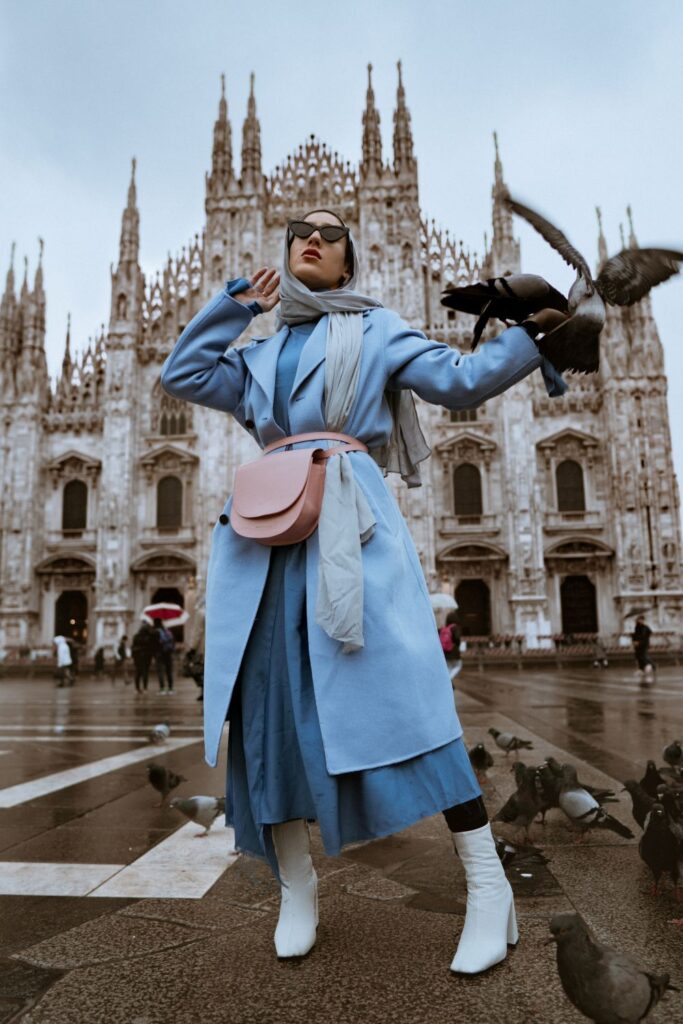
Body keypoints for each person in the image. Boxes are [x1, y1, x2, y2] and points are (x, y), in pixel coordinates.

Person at [160, 208, 570, 973]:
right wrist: (234, 305)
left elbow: (459, 382)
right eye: (298, 230)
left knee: (411, 700)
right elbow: (181, 374)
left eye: (330, 232)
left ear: (349, 263)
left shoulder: (376, 327)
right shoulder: (256, 352)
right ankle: (297, 888)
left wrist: (536, 334)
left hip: (351, 526)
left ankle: (488, 887)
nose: (310, 237)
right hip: (266, 538)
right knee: (268, 715)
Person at [153, 617, 175, 694]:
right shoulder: (167, 631)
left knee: (160, 671)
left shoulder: (156, 632)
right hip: (168, 653)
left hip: (159, 654)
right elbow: (172, 642)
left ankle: (162, 689)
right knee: (169, 671)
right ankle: (170, 688)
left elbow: (154, 644)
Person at [131, 623, 155, 693]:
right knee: (145, 672)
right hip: (146, 656)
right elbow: (151, 647)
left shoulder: (136, 636)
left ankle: (137, 688)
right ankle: (145, 688)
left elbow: (133, 646)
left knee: (138, 672)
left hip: (137, 656)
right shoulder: (149, 637)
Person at [632, 615, 655, 680]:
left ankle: (650, 665)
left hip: (643, 644)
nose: (639, 621)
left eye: (641, 620)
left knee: (643, 655)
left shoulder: (645, 627)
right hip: (637, 644)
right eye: (638, 619)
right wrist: (634, 641)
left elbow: (645, 636)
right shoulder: (637, 627)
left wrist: (639, 642)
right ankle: (641, 669)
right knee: (638, 656)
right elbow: (635, 635)